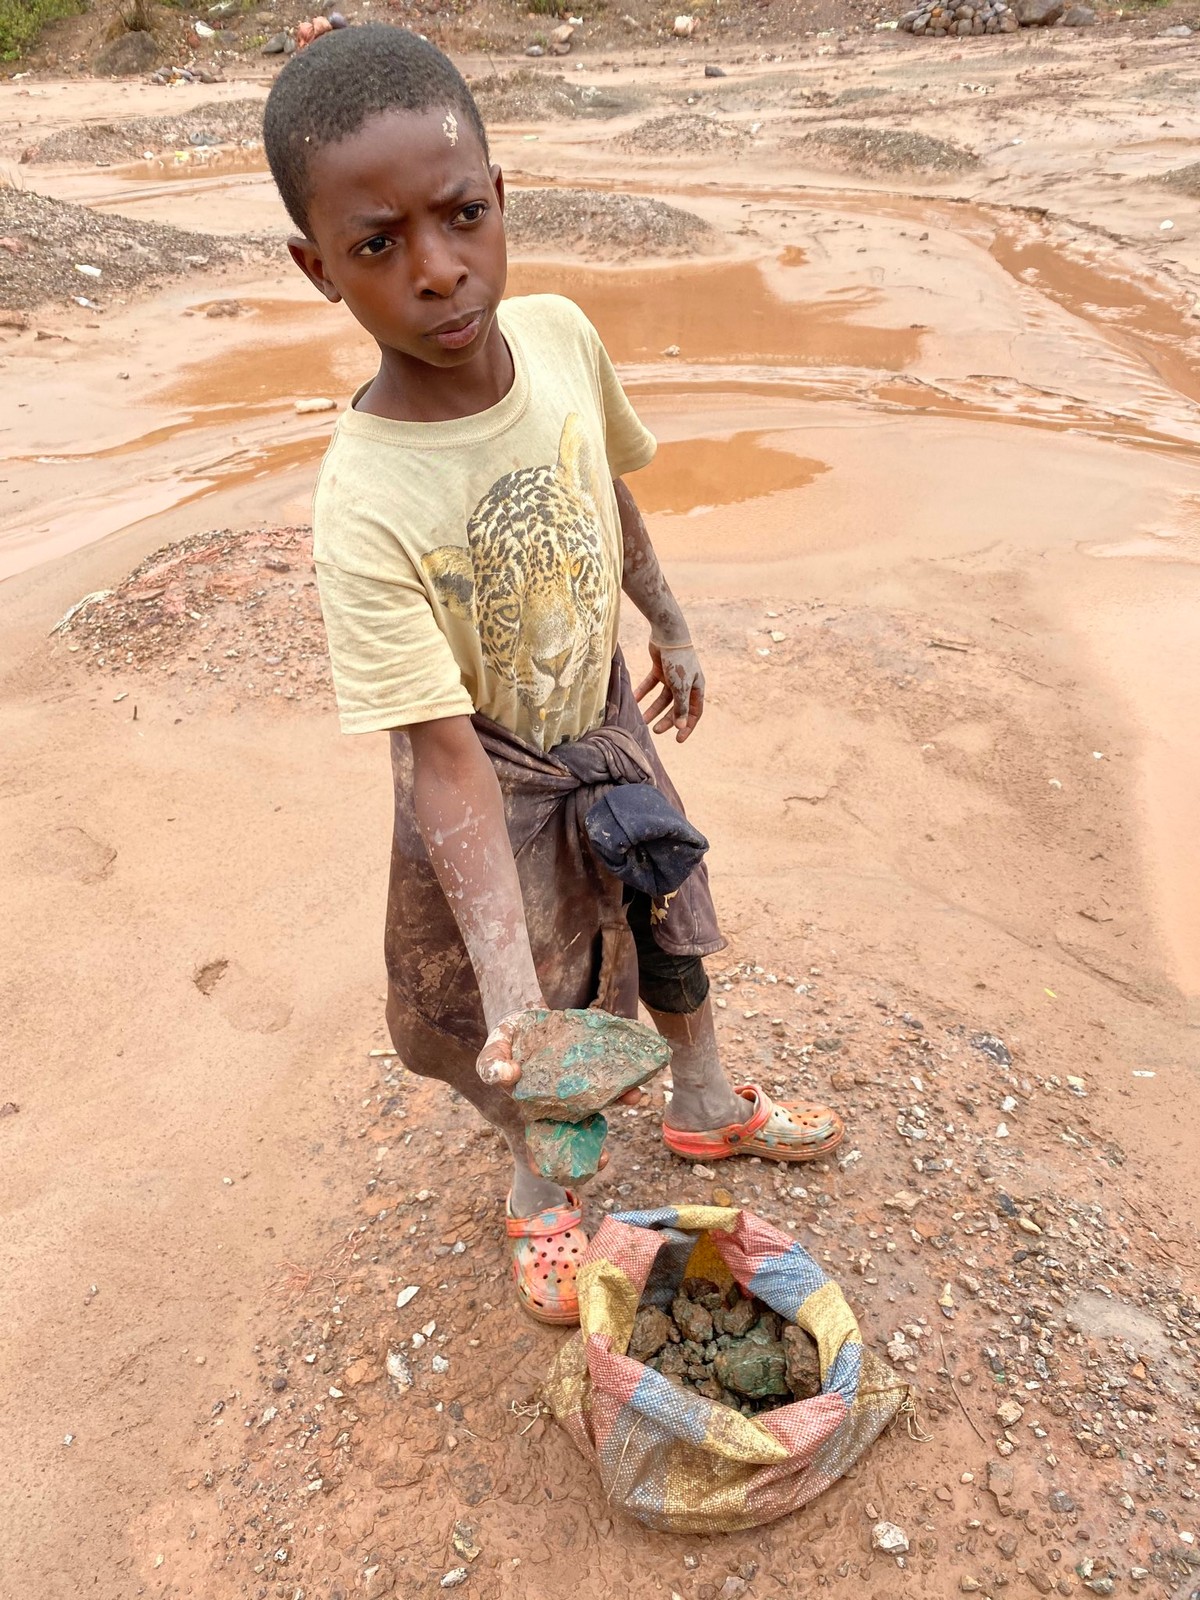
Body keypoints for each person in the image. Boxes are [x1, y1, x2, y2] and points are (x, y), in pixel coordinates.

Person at [262, 25, 844, 1326]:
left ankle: (703, 1107)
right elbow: (442, 753)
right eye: (377, 246)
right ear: (317, 269)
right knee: (537, 1006)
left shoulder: (565, 337)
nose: (438, 271)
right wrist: (515, 998)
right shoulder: (365, 504)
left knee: (668, 907)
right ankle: (539, 1196)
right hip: (501, 777)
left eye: (463, 216)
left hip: (605, 719)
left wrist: (672, 626)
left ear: (502, 196)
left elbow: (605, 492)